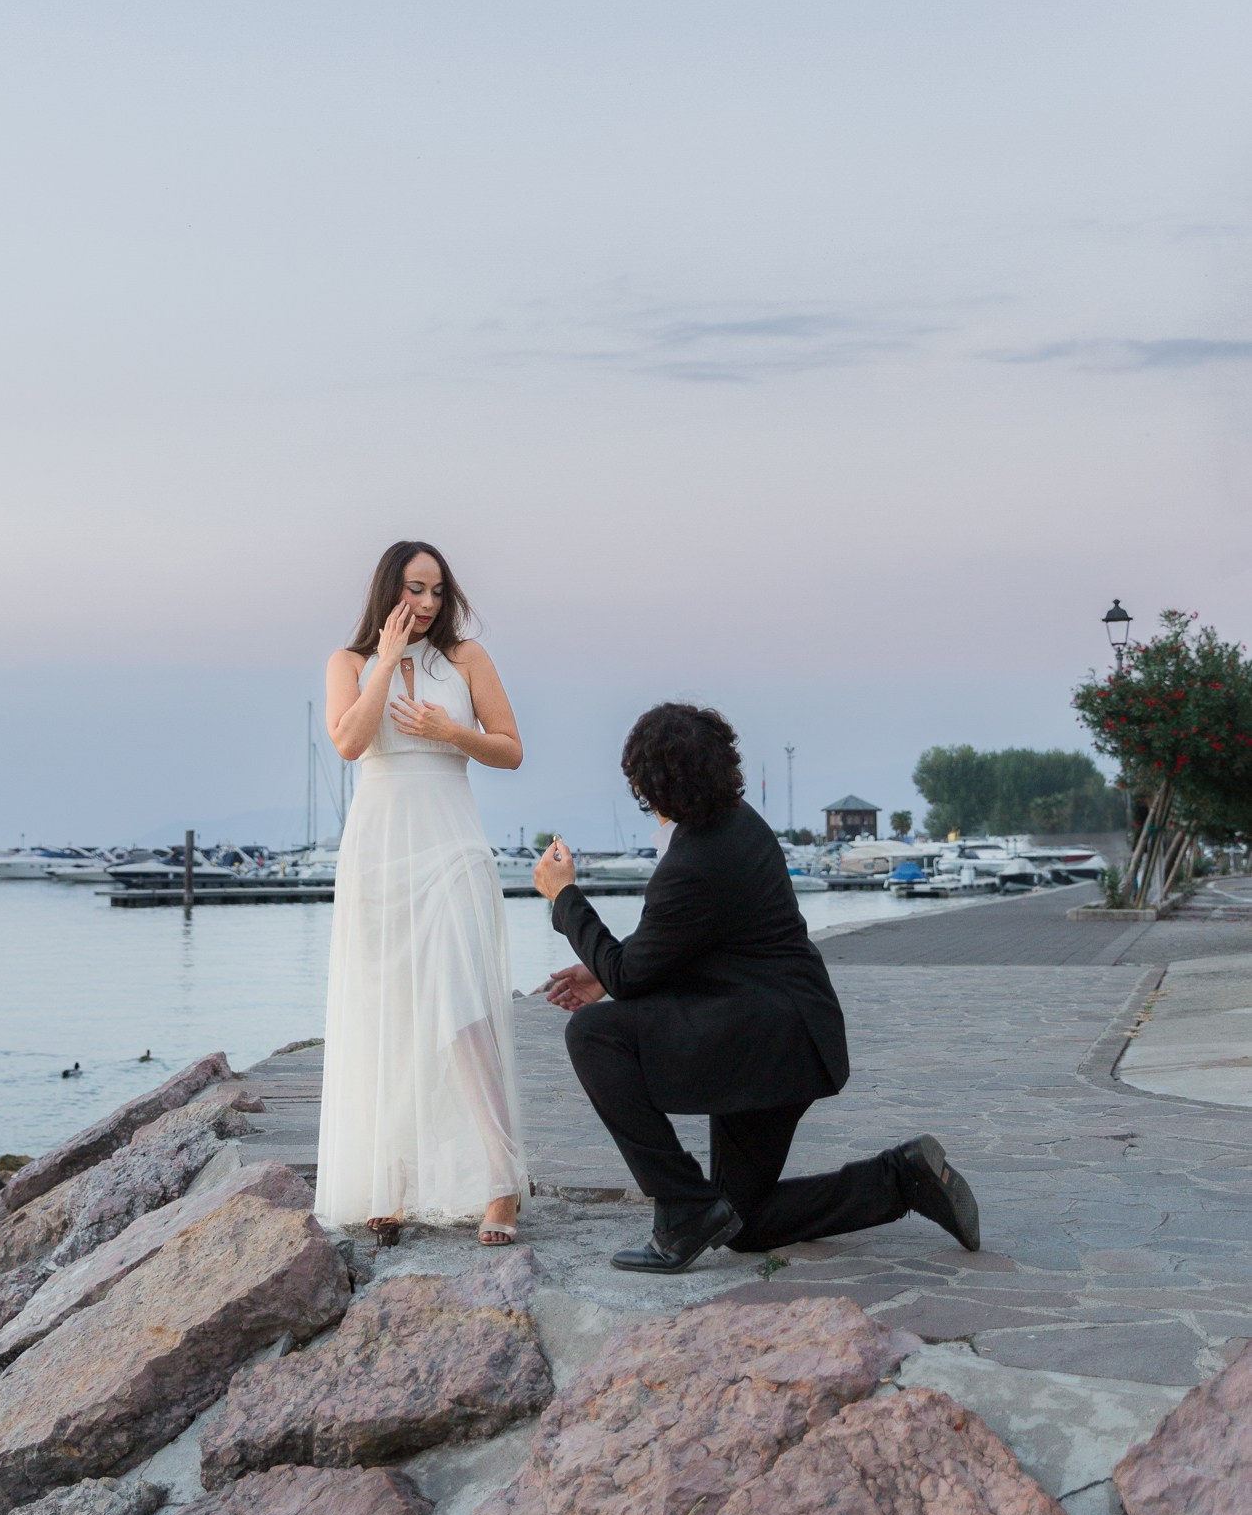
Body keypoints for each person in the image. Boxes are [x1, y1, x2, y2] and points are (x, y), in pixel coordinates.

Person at [535, 702, 980, 1273]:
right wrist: (604, 970)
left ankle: (682, 1208)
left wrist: (563, 896)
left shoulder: (695, 858)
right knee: (741, 1223)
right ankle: (901, 1179)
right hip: (788, 1036)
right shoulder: (736, 822)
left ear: (653, 784)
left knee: (595, 1034)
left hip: (759, 1040)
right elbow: (686, 942)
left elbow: (632, 974)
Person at [316, 540, 527, 1247]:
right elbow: (348, 742)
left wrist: (450, 730)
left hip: (450, 843)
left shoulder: (466, 659)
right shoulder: (347, 663)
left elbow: (509, 747)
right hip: (378, 849)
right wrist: (384, 662)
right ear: (389, 590)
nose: (429, 603)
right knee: (388, 1010)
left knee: (462, 1009)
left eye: (437, 589)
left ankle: (501, 1185)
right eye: (415, 588)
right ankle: (392, 1178)